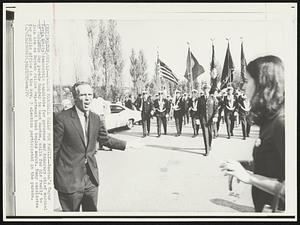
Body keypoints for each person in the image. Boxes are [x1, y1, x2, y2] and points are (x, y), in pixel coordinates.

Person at [220, 55, 285, 212]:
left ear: (262, 84)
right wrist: (245, 166)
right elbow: (274, 164)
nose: (243, 87)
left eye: (248, 81)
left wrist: (249, 177)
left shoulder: (281, 123)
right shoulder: (270, 120)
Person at [54, 81, 127, 212]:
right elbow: (54, 150)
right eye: (83, 95)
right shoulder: (62, 118)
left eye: (90, 94)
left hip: (91, 181)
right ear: (75, 97)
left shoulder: (95, 118)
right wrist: (54, 178)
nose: (88, 98)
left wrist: (126, 145)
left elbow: (105, 139)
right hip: (70, 181)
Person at [198, 84, 218, 156]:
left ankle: (209, 145)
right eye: (204, 89)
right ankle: (207, 151)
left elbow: (216, 108)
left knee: (210, 134)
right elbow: (198, 110)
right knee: (205, 134)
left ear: (209, 90)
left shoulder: (212, 98)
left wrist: (215, 116)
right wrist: (198, 118)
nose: (206, 91)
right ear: (203, 90)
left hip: (211, 119)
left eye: (207, 89)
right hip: (203, 119)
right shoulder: (200, 99)